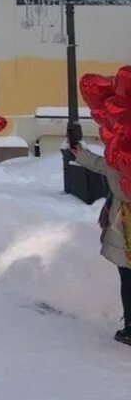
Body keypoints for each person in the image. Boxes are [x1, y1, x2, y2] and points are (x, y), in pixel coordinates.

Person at [69, 143, 131, 345]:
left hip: (123, 226)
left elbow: (102, 165)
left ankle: (130, 327)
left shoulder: (120, 160)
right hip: (121, 226)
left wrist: (79, 153)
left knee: (128, 278)